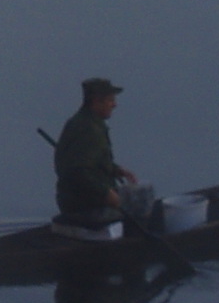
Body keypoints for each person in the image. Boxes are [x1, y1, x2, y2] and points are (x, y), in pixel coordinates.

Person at [51, 76, 149, 238]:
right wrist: (106, 193)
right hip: (84, 204)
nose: (115, 105)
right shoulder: (91, 131)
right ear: (97, 101)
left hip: (72, 198)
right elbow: (79, 172)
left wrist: (117, 170)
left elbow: (93, 161)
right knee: (138, 209)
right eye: (111, 100)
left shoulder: (80, 121)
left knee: (132, 200)